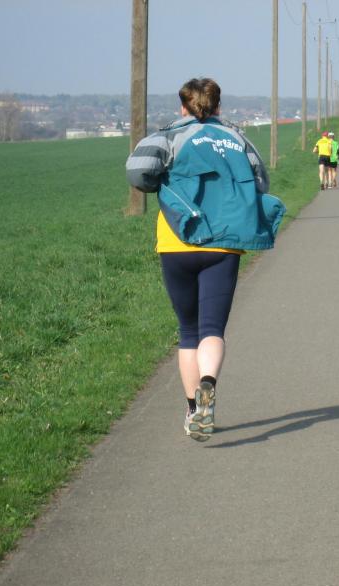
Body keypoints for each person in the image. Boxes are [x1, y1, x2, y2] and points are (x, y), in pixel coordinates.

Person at [126, 77, 285, 443]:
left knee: (189, 331)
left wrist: (161, 183)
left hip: (176, 242)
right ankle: (208, 382)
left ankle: (192, 409)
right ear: (218, 106)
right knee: (212, 329)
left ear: (183, 106)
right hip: (223, 244)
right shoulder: (237, 138)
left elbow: (137, 171)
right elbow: (260, 182)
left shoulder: (169, 136)